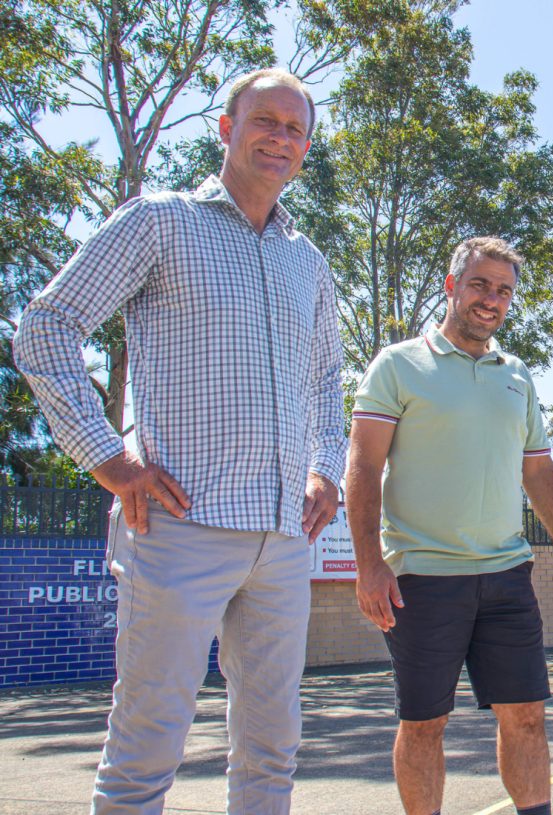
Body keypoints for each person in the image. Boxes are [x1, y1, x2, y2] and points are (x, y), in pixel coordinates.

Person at [12, 68, 345, 813]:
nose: (281, 138)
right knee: (145, 750)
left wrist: (326, 468)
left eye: (296, 129)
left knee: (271, 751)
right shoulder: (160, 222)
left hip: (284, 539)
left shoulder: (309, 263)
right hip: (179, 526)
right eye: (266, 120)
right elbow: (46, 326)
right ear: (226, 129)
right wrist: (108, 456)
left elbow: (327, 382)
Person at [345, 236, 553, 815]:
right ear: (452, 286)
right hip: (422, 579)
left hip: (506, 576)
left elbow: (539, 469)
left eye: (504, 290)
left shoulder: (517, 375)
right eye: (480, 284)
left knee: (526, 717)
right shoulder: (399, 364)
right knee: (425, 722)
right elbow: (363, 465)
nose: (492, 299)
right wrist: (368, 565)